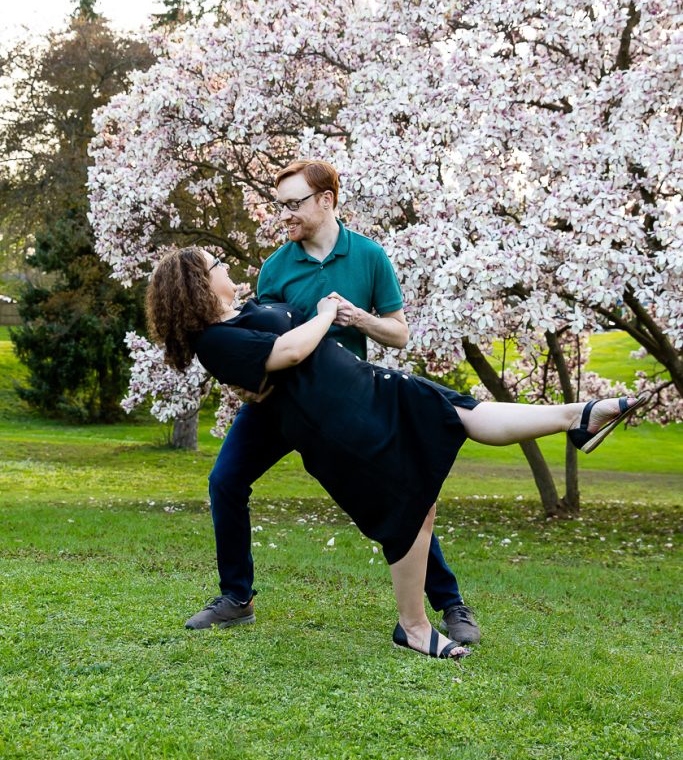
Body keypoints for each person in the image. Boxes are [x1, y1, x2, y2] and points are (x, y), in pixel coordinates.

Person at [146, 245, 644, 660]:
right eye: (217, 267)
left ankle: (577, 416)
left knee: (465, 415)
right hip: (341, 420)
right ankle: (414, 625)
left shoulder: (253, 306)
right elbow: (290, 353)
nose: (227, 269)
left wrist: (343, 317)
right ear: (199, 285)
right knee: (409, 505)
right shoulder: (215, 339)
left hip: (372, 390)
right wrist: (321, 315)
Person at [186, 160, 481, 644]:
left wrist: (358, 319)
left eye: (294, 204)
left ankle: (449, 603)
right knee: (225, 480)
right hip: (275, 405)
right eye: (280, 206)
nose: (285, 216)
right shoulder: (277, 267)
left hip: (345, 406)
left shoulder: (368, 256)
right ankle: (236, 598)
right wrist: (247, 383)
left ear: (326, 200)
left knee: (400, 495)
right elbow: (259, 339)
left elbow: (399, 333)